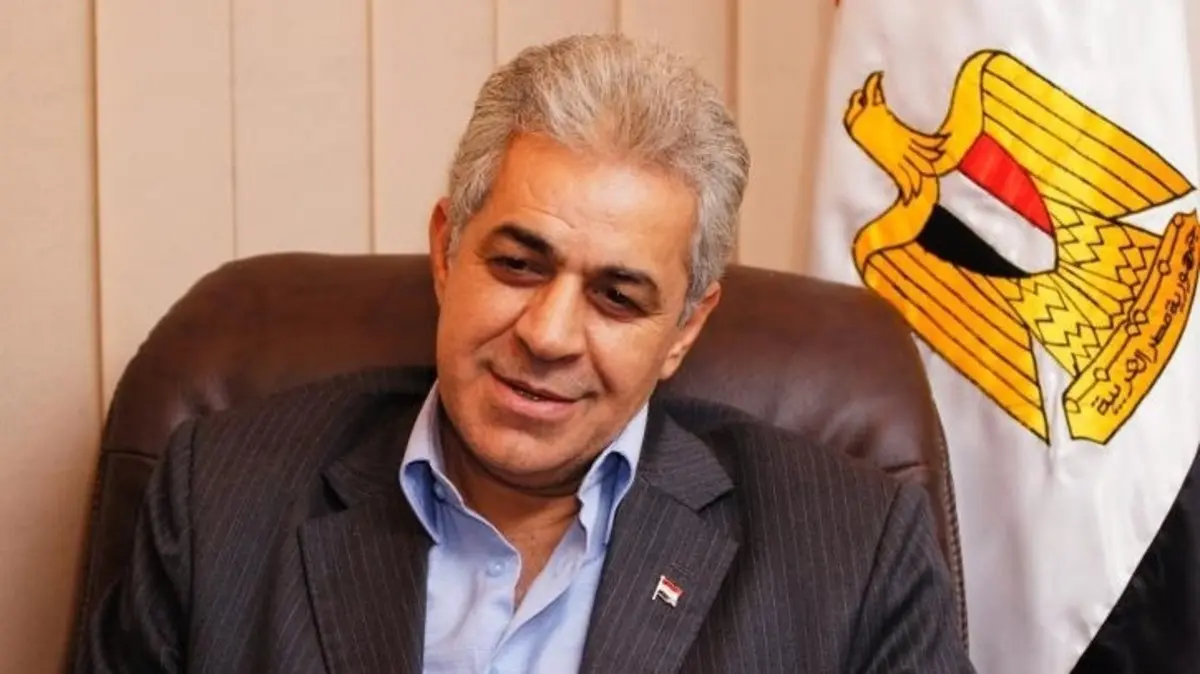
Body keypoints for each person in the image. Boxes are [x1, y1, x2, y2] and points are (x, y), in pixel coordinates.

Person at [76, 33, 974, 673]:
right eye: (516, 265)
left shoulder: (851, 551)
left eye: (617, 297)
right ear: (445, 252)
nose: (547, 335)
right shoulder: (222, 497)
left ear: (685, 330)